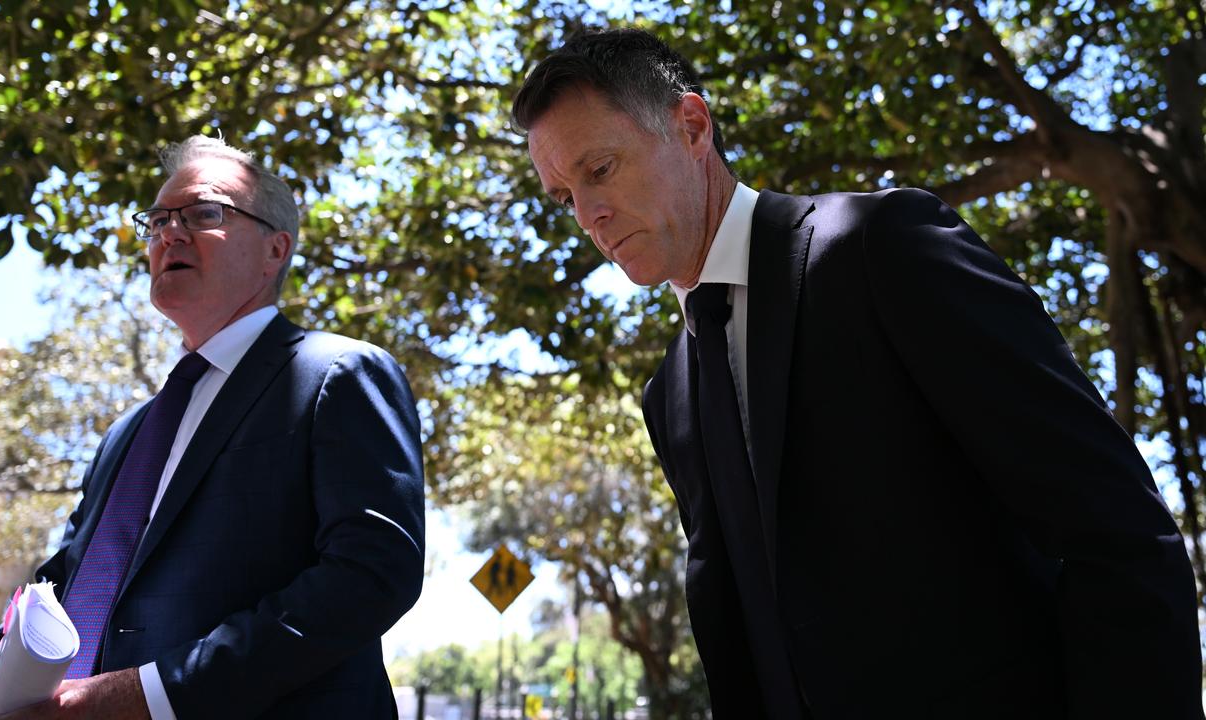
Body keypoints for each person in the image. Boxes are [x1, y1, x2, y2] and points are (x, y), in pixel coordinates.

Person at [513, 28, 1202, 719]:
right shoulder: (670, 395)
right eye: (564, 197)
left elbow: (1117, 534)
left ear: (691, 126)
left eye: (599, 169)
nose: (589, 217)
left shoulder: (884, 246)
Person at [0, 136, 426, 719]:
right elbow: (62, 588)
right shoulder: (128, 435)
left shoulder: (336, 374)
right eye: (158, 219)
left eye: (204, 213)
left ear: (275, 250)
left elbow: (371, 575)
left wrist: (148, 696)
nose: (170, 232)